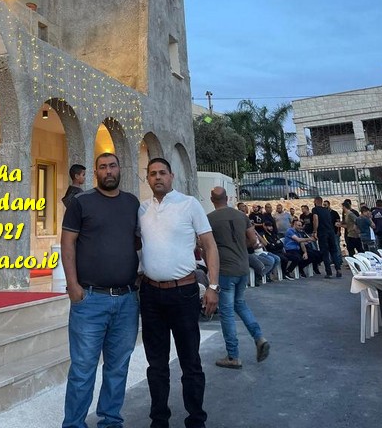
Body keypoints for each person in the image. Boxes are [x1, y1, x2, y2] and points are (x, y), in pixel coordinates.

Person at [61, 153, 140, 428]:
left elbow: (138, 242)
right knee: (83, 369)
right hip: (90, 300)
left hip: (127, 300)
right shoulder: (81, 202)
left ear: (120, 170)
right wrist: (73, 285)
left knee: (118, 368)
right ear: (96, 173)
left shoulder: (132, 203)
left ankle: (110, 421)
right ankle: (74, 424)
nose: (108, 171)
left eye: (112, 166)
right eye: (103, 167)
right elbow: (68, 243)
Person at [139, 157, 219, 428]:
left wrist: (213, 286)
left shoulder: (189, 204)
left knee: (190, 362)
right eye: (152, 173)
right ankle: (159, 420)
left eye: (162, 172)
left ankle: (196, 420)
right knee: (156, 365)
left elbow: (209, 246)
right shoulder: (142, 209)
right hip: (151, 295)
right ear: (147, 179)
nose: (157, 177)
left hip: (183, 293)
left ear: (171, 176)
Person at [208, 187, 270, 370]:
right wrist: (239, 246)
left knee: (226, 312)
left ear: (212, 200)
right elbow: (254, 241)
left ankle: (233, 355)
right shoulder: (242, 216)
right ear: (227, 198)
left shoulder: (209, 218)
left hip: (225, 270)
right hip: (243, 267)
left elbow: (205, 245)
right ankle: (259, 337)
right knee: (240, 304)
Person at [312, 196, 342, 278]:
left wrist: (315, 231)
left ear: (315, 201)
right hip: (331, 232)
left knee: (325, 252)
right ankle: (338, 269)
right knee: (334, 251)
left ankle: (329, 272)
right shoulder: (326, 210)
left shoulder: (315, 209)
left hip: (322, 233)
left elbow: (315, 219)